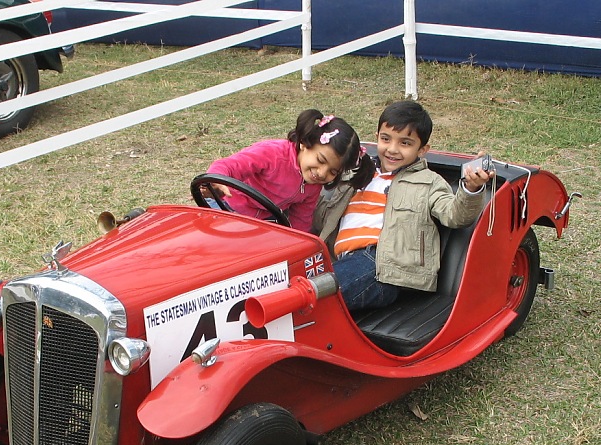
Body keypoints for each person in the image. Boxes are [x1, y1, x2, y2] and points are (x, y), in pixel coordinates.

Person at [312, 100, 494, 311]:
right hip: (339, 260)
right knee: (291, 284)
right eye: (385, 139)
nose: (392, 149)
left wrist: (471, 189)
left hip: (386, 268)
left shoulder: (429, 182)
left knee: (313, 297)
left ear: (422, 149)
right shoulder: (356, 174)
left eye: (405, 143)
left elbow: (455, 215)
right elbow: (320, 216)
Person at [205, 109, 375, 232]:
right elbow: (232, 164)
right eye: (321, 160)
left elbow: (301, 219)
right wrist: (217, 180)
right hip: (226, 208)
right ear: (304, 143)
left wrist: (297, 241)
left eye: (333, 171)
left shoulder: (313, 184)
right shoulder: (274, 154)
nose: (322, 173)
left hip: (264, 222)